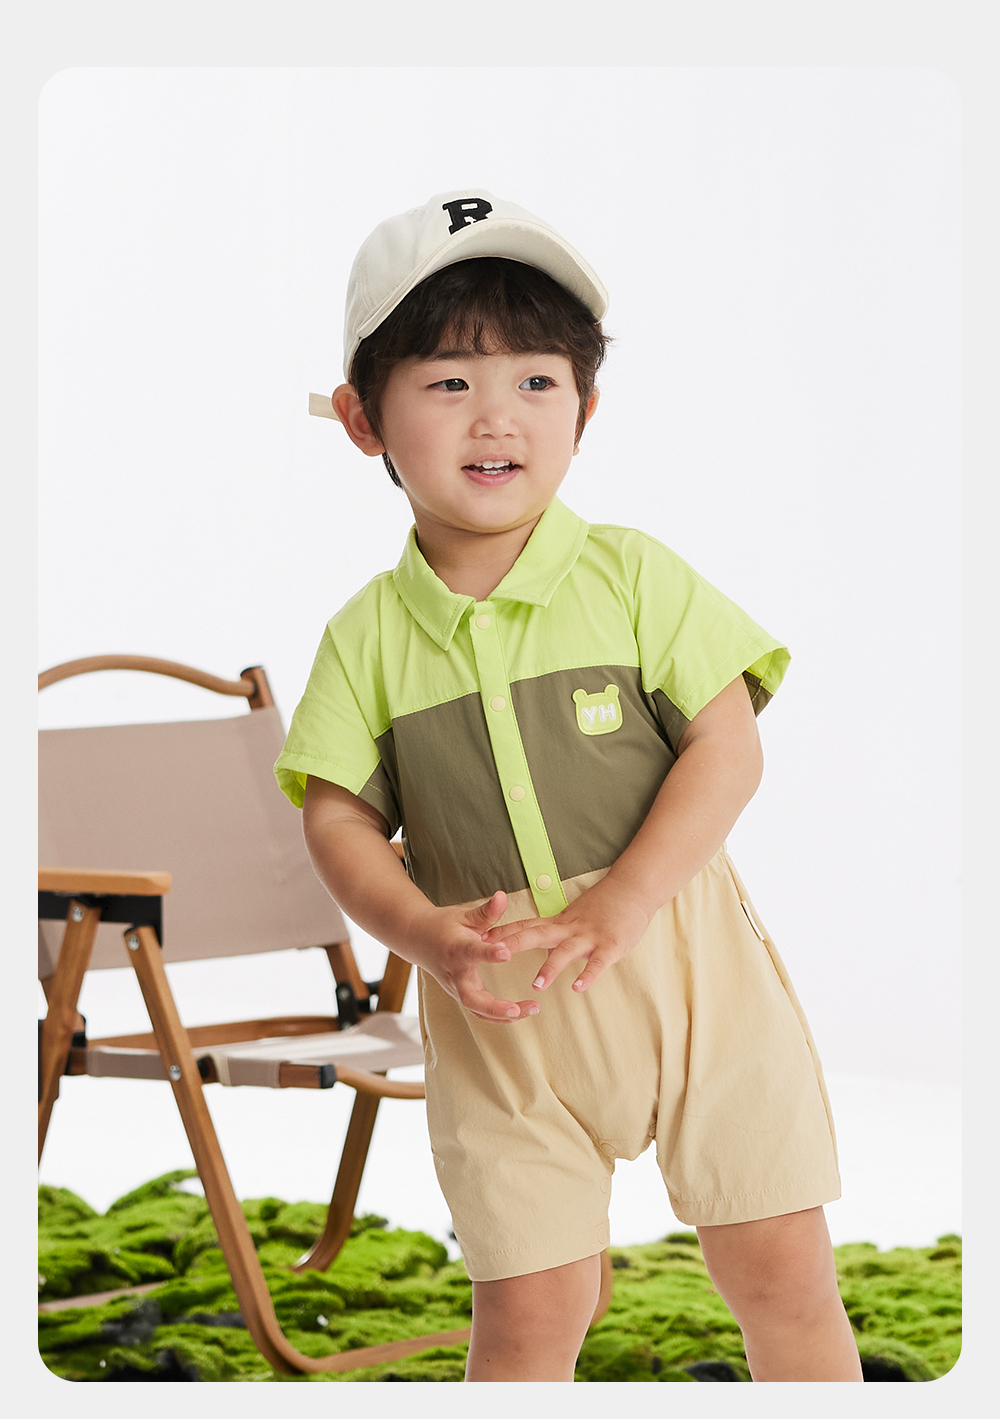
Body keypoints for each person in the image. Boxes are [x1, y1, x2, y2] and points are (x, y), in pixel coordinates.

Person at [275, 189, 863, 1383]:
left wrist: (621, 900)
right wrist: (421, 934)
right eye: (449, 382)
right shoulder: (366, 637)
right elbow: (337, 817)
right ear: (362, 419)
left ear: (584, 410)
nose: (496, 415)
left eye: (536, 381)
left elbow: (727, 745)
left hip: (694, 983)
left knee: (781, 1275)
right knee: (530, 1315)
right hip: (499, 1013)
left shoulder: (632, 576)